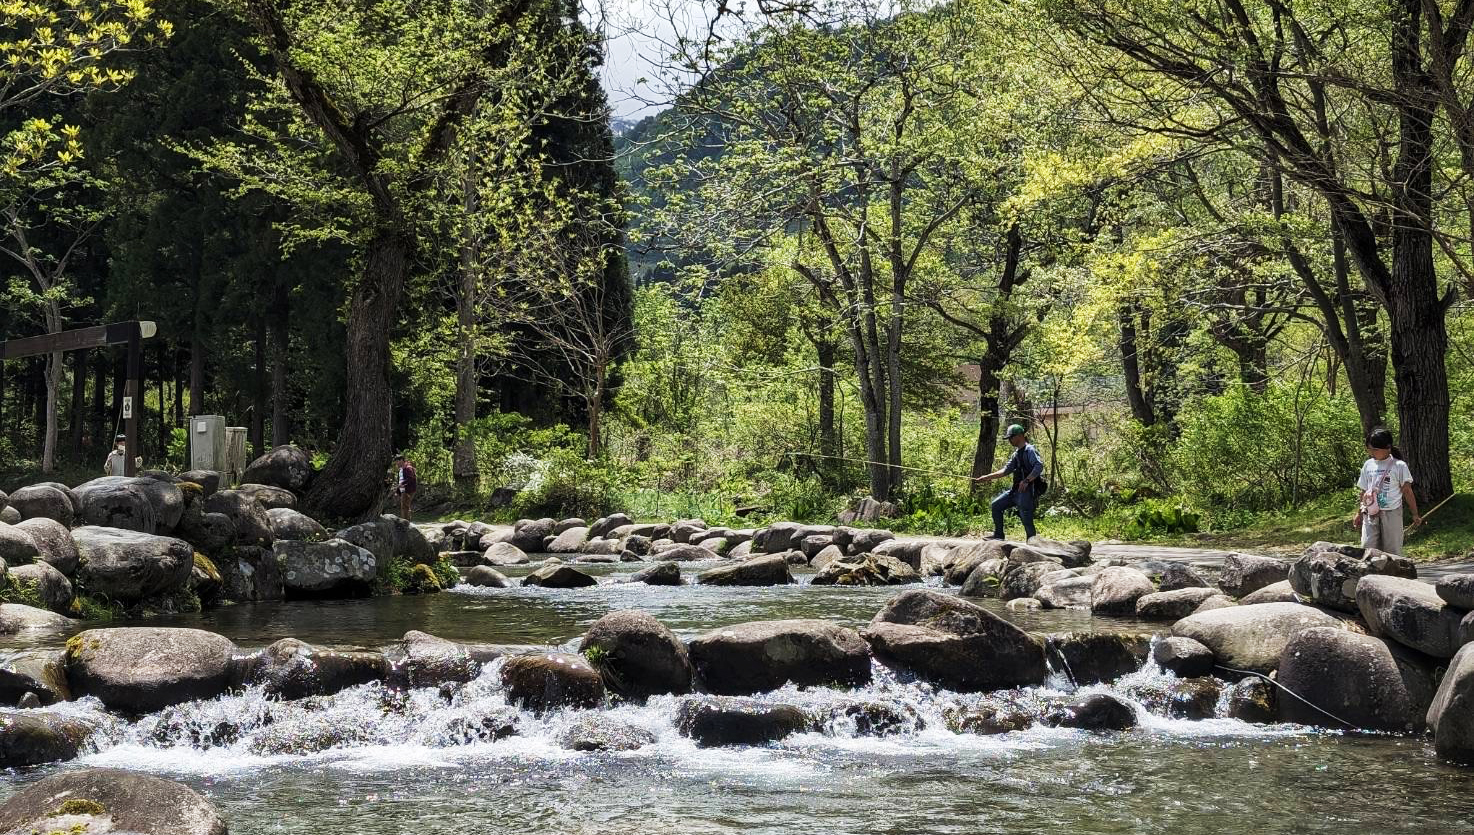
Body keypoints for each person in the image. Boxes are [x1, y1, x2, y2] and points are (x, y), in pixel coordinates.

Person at [1353, 427, 1422, 556]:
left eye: (1375, 449)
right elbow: (1364, 490)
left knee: (1392, 550)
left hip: (1392, 512)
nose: (1371, 452)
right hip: (1370, 512)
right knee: (1367, 548)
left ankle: (1393, 575)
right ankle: (1371, 575)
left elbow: (1407, 491)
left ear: (1387, 447)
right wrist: (1359, 513)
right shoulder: (1368, 465)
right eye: (1369, 449)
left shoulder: (1399, 466)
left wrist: (1415, 514)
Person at [975, 423, 1044, 541]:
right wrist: (987, 477)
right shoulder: (1016, 454)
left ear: (1020, 436)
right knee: (996, 505)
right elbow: (1005, 471)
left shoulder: (1030, 450)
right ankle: (998, 535)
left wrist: (1027, 480)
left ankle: (1033, 543)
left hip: (1026, 492)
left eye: (1011, 437)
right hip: (1015, 491)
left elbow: (1039, 466)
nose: (1009, 440)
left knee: (1025, 517)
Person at [395, 454, 418, 520]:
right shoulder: (401, 469)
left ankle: (406, 523)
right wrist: (397, 491)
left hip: (408, 490)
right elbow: (400, 480)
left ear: (401, 460)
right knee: (404, 506)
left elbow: (410, 478)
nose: (396, 463)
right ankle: (405, 522)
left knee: (405, 506)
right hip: (403, 490)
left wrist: (402, 484)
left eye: (397, 461)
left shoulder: (408, 468)